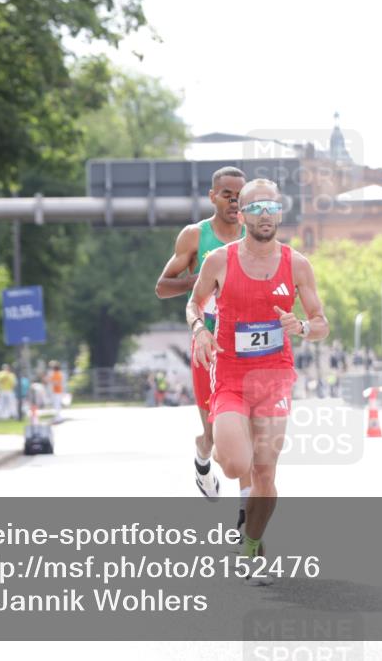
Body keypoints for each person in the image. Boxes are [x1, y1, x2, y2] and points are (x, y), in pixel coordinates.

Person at [188, 178, 329, 582]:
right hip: (231, 375)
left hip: (275, 379)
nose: (265, 215)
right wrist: (200, 330)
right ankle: (223, 460)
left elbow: (322, 324)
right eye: (256, 207)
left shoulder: (297, 264)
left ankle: (250, 547)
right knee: (236, 465)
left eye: (272, 207)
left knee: (266, 475)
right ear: (242, 214)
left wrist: (300, 325)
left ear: (280, 213)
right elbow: (194, 303)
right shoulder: (219, 260)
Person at [156, 166, 253, 529]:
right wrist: (201, 279)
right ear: (212, 196)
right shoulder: (195, 236)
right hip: (208, 348)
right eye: (227, 194)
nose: (234, 201)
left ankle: (246, 520)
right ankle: (202, 455)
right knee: (214, 435)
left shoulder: (253, 235)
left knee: (246, 435)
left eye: (240, 195)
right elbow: (162, 287)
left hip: (244, 347)